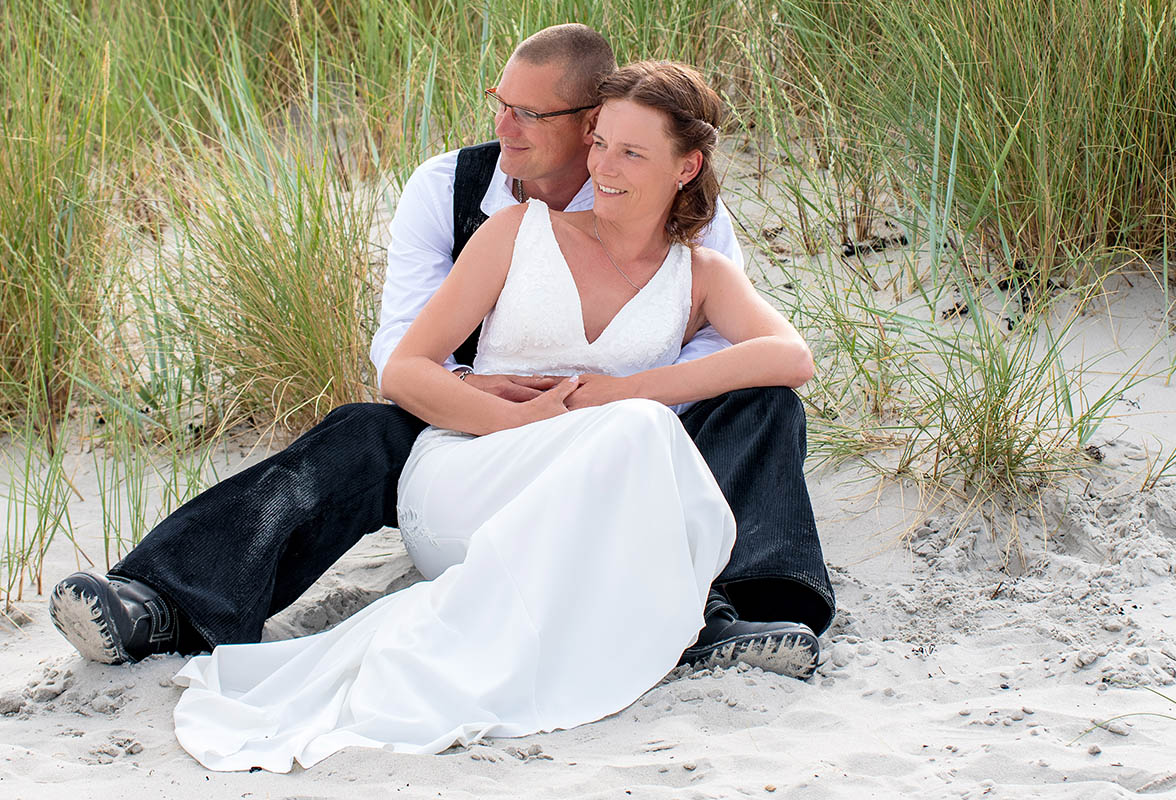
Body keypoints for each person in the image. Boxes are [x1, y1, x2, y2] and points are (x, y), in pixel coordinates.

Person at [48, 24, 833, 680]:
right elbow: (401, 344)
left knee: (761, 408)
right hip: (470, 425)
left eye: (530, 113)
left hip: (628, 441)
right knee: (358, 434)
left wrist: (607, 402)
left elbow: (726, 347)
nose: (505, 128)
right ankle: (163, 602)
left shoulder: (678, 215)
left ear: (589, 119)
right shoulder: (454, 190)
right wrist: (497, 401)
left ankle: (756, 610)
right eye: (502, 106)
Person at [172, 57, 812, 772]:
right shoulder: (515, 230)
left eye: (631, 152)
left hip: (597, 491)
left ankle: (742, 603)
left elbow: (790, 358)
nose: (605, 166)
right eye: (602, 144)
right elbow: (404, 364)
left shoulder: (703, 272)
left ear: (686, 168)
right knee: (637, 433)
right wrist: (516, 417)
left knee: (681, 423)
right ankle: (166, 599)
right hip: (474, 473)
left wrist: (624, 392)